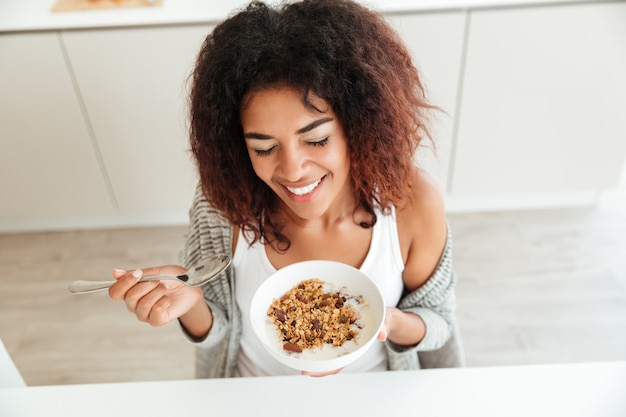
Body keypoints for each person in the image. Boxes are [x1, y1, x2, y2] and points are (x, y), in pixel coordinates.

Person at [108, 0, 463, 378]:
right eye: (263, 148)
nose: (293, 170)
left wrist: (389, 323)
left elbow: (438, 322)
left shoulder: (411, 201)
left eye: (316, 140)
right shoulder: (222, 206)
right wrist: (192, 303)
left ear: (358, 125)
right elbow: (218, 330)